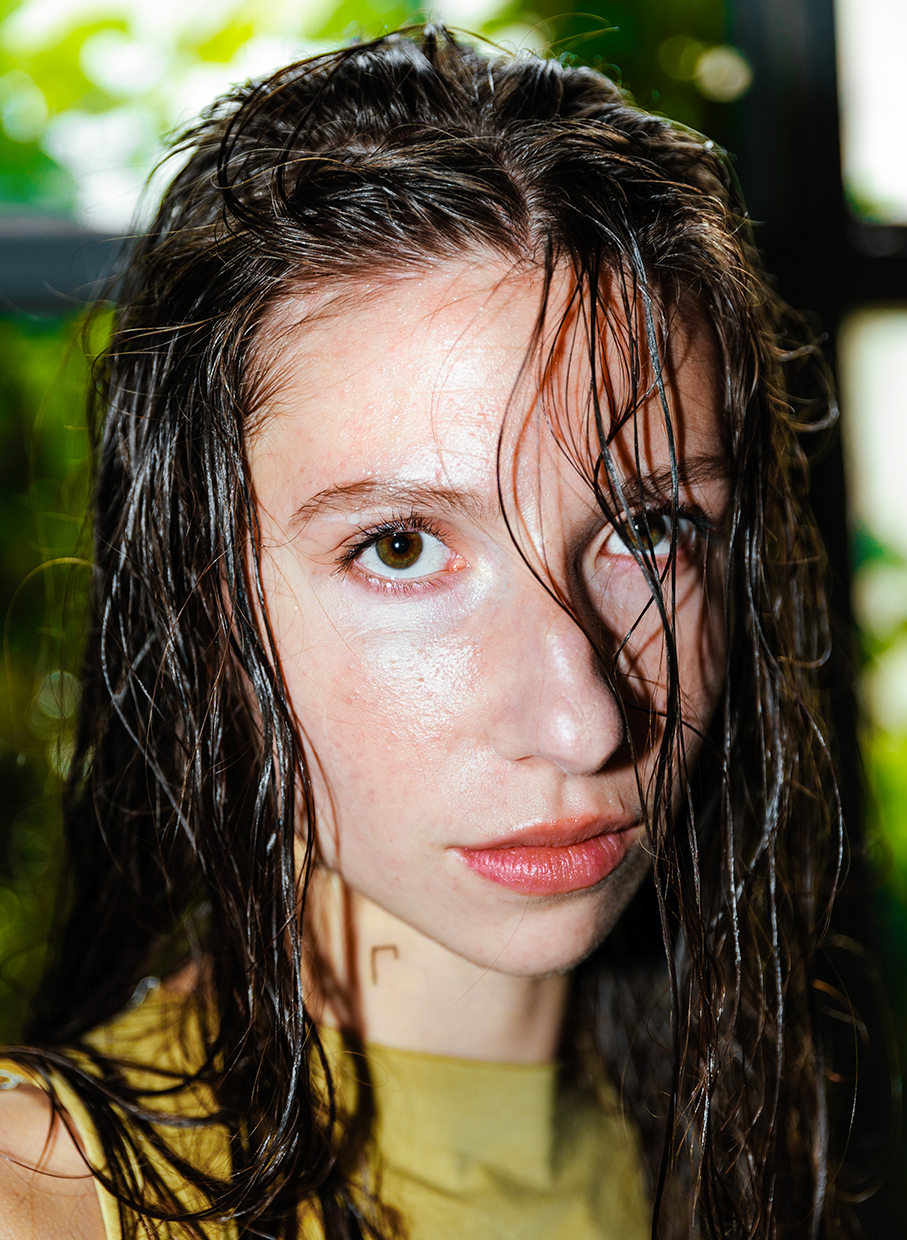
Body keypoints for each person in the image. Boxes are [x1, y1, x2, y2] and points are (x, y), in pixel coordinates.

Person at [0, 24, 857, 1240]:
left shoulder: (732, 1147)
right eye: (399, 546)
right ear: (199, 602)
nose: (581, 719)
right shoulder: (41, 1201)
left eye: (650, 529)